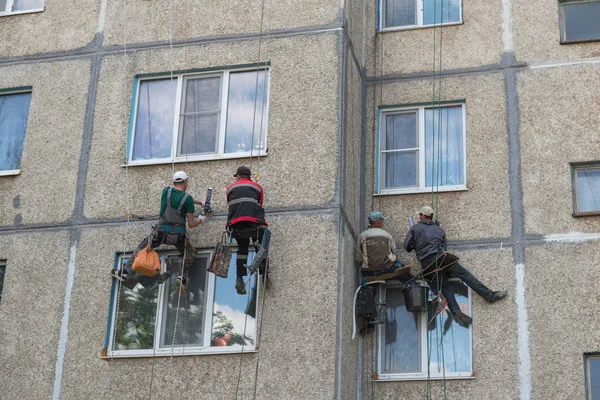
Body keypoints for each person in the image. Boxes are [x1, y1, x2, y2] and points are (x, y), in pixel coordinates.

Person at [403, 205, 507, 326]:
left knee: (445, 286)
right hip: (442, 258)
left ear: (421, 215)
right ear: (431, 217)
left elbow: (407, 247)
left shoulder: (415, 228)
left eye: (419, 215)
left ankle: (456, 311)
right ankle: (489, 295)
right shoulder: (439, 230)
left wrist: (416, 244)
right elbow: (444, 247)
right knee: (465, 275)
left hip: (427, 263)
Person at [111, 171, 207, 292]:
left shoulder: (166, 191)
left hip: (161, 233)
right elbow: (192, 224)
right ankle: (182, 278)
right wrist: (201, 219)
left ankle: (125, 272)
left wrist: (198, 203)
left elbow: (181, 198)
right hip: (179, 235)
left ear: (174, 182)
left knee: (142, 248)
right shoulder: (187, 199)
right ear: (186, 182)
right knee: (188, 253)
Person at [226, 166, 269, 295]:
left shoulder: (230, 188)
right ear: (249, 176)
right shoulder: (258, 187)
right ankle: (264, 274)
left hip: (236, 224)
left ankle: (239, 278)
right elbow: (260, 203)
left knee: (242, 249)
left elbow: (230, 204)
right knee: (260, 247)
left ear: (238, 176)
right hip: (254, 223)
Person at [355, 211, 414, 285]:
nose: (382, 222)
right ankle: (412, 289)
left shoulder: (362, 236)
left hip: (369, 271)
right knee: (407, 276)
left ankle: (367, 290)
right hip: (387, 268)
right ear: (378, 221)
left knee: (368, 285)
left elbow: (359, 258)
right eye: (382, 220)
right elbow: (394, 252)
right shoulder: (386, 235)